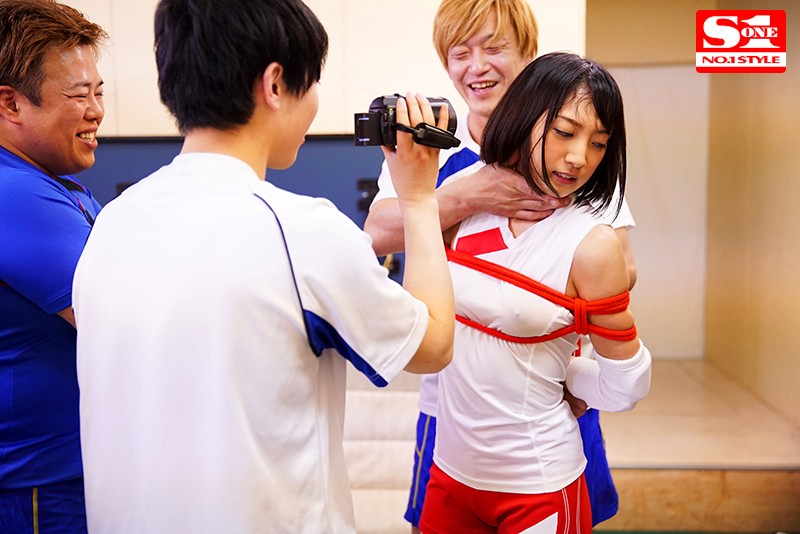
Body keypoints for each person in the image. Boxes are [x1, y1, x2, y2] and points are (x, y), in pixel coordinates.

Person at [71, 0, 455, 532]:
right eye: (311, 81)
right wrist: (418, 197)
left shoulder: (112, 223)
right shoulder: (302, 232)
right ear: (275, 84)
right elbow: (433, 346)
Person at [362, 0, 636, 529]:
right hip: (450, 407)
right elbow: (378, 233)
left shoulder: (573, 150)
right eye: (460, 53)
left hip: (548, 398)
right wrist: (467, 196)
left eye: (493, 48)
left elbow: (621, 265)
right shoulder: (433, 150)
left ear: (528, 54)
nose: (476, 66)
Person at [418, 51, 652, 533]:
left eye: (598, 144)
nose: (579, 157)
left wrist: (571, 379)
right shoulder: (466, 194)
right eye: (565, 132)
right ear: (525, 117)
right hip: (450, 471)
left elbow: (628, 383)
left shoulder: (592, 243)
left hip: (537, 483)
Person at [0, 1, 107, 531]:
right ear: (11, 103)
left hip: (65, 477)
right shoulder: (14, 194)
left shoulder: (58, 185)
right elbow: (127, 324)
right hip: (40, 488)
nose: (96, 111)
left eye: (99, 92)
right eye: (79, 95)